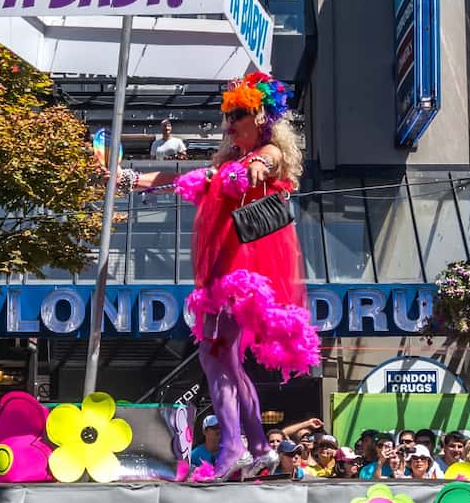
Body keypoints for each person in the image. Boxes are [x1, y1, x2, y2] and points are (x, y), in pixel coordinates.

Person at [114, 72, 318, 481]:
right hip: (224, 269)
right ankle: (256, 445)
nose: (230, 123)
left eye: (239, 114)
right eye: (228, 115)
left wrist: (256, 166)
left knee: (214, 357)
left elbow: (266, 163)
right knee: (224, 360)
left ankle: (233, 446)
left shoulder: (268, 152)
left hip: (240, 273)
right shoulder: (226, 163)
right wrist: (129, 179)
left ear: (261, 116)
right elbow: (183, 179)